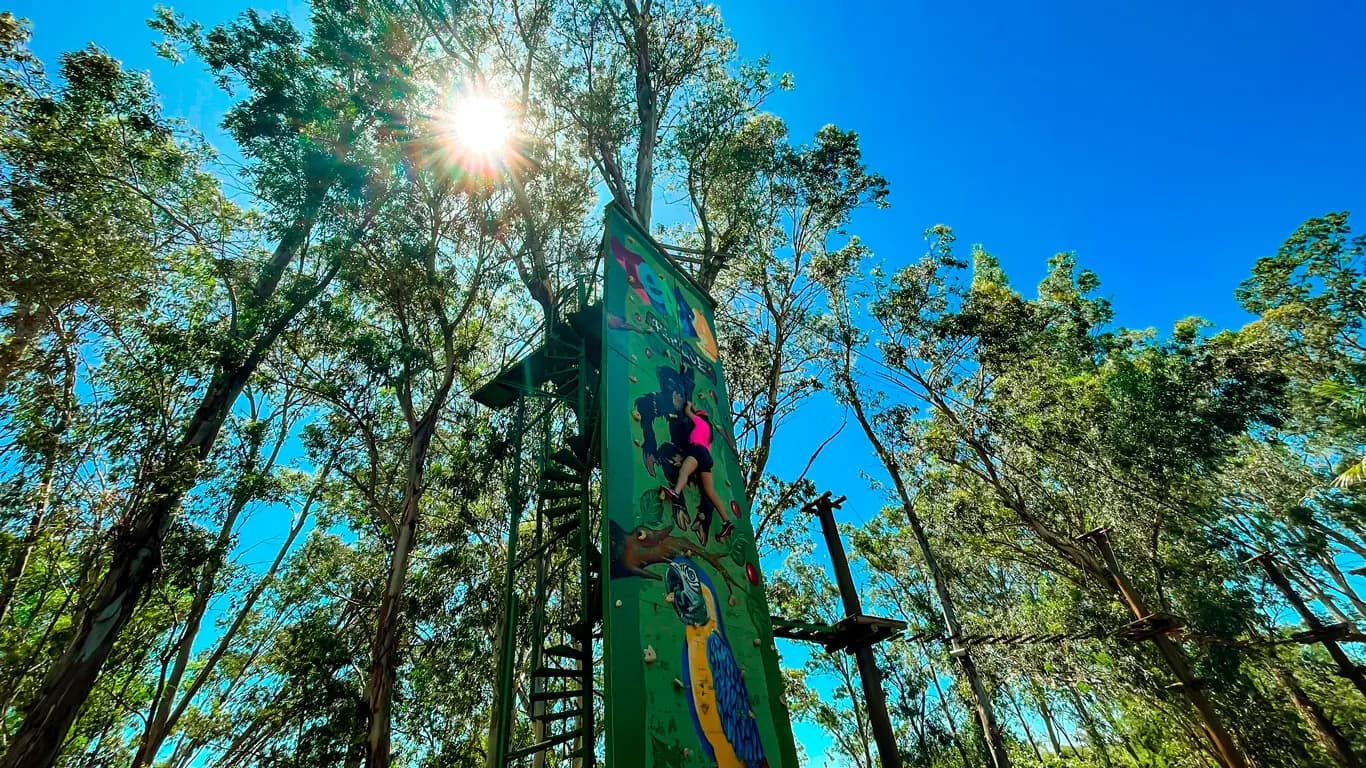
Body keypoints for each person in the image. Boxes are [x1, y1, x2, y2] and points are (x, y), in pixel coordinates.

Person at [662, 400, 733, 542]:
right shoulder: (708, 434)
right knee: (710, 492)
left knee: (684, 472)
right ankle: (727, 521)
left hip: (697, 451)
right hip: (706, 457)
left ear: (699, 417)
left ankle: (676, 491)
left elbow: (688, 413)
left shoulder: (700, 422)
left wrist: (689, 407)